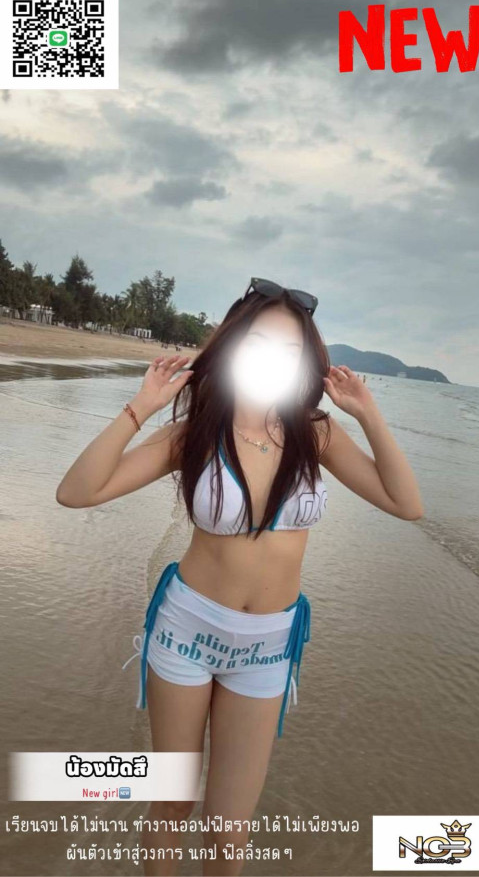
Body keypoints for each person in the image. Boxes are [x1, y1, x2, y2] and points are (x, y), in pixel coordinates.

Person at [56, 277, 424, 876]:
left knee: (229, 829)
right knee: (173, 803)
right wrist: (140, 408)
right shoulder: (195, 434)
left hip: (267, 647)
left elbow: (407, 504)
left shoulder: (316, 434)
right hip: (187, 632)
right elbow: (77, 492)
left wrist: (369, 414)